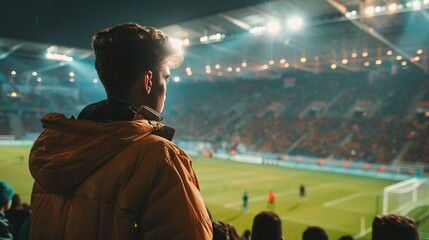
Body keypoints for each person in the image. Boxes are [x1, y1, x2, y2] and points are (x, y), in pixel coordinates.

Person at [28, 22, 212, 240]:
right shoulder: (161, 157)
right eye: (166, 78)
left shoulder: (53, 153)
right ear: (148, 81)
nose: (166, 87)